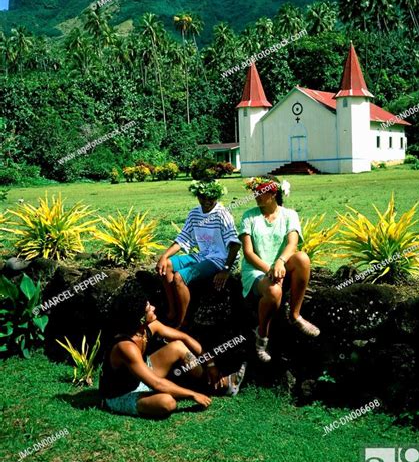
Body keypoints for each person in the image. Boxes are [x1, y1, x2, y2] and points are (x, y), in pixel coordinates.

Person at [99, 285, 245, 418]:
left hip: (141, 375)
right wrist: (192, 395)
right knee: (167, 403)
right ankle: (196, 390)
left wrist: (211, 364)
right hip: (121, 394)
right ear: (140, 318)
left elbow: (185, 338)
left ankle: (217, 385)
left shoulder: (150, 326)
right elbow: (156, 383)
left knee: (178, 346)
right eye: (149, 308)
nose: (154, 308)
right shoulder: (126, 347)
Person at [239, 176, 320, 363]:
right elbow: (248, 252)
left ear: (274, 193)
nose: (256, 196)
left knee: (302, 258)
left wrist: (280, 262)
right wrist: (270, 269)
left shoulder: (289, 215)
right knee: (274, 291)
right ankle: (262, 336)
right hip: (256, 270)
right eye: (254, 192)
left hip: (279, 266)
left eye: (260, 192)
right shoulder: (249, 216)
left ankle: (295, 315)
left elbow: (293, 243)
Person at [156, 179, 241, 327]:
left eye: (211, 197)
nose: (207, 201)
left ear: (217, 196)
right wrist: (164, 256)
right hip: (203, 256)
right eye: (203, 197)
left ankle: (181, 323)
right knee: (166, 266)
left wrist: (225, 270)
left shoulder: (222, 214)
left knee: (179, 277)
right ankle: (172, 310)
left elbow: (234, 245)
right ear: (197, 196)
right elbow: (183, 237)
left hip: (220, 260)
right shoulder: (194, 213)